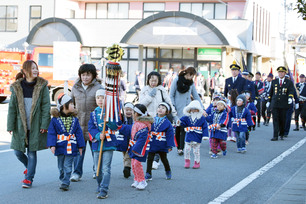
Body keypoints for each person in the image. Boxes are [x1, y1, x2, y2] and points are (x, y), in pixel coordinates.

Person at [7, 60, 51, 188]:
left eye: (36, 68)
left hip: (36, 125)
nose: (36, 70)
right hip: (20, 125)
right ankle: (29, 167)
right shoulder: (17, 87)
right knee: (17, 152)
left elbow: (45, 106)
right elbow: (12, 108)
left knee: (32, 152)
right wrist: (10, 125)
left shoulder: (42, 86)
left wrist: (44, 125)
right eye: (33, 68)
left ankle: (29, 178)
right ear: (25, 71)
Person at [70, 64, 103, 182]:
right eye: (83, 75)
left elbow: (103, 105)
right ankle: (77, 173)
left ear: (93, 75)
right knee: (79, 151)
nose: (85, 77)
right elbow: (71, 105)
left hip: (94, 126)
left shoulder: (99, 88)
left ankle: (96, 170)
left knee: (96, 150)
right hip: (79, 125)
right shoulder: (75, 88)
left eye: (88, 75)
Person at [139, 71, 177, 169]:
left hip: (160, 118)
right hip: (148, 118)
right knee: (150, 139)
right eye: (151, 80)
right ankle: (151, 157)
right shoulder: (144, 90)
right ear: (148, 80)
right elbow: (141, 105)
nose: (153, 82)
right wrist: (149, 96)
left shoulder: (161, 90)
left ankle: (156, 159)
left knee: (158, 139)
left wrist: (174, 114)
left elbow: (168, 102)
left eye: (155, 80)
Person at [47, 94, 85, 191]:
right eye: (71, 104)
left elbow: (79, 133)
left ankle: (65, 182)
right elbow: (51, 132)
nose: (74, 106)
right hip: (60, 146)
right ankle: (63, 178)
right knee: (60, 166)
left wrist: (80, 146)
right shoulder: (55, 120)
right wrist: (52, 145)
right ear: (64, 105)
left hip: (71, 146)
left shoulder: (75, 119)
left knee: (68, 165)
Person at [88, 89, 118, 199]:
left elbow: (116, 126)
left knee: (106, 168)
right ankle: (99, 184)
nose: (100, 100)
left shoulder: (111, 112)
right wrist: (97, 135)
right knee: (97, 168)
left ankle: (104, 189)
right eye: (98, 97)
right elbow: (91, 128)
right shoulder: (93, 113)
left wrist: (108, 121)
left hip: (108, 143)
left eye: (102, 97)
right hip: (97, 144)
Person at [169, 67, 204, 156]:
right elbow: (171, 94)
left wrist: (201, 108)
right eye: (191, 76)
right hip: (177, 107)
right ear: (188, 74)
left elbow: (196, 96)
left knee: (184, 128)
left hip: (187, 109)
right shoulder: (176, 80)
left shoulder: (191, 83)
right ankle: (178, 147)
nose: (192, 78)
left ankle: (181, 148)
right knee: (178, 127)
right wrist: (172, 106)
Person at [145, 102, 175, 181]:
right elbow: (147, 129)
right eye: (159, 107)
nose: (160, 109)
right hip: (152, 141)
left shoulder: (167, 123)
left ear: (167, 112)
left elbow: (170, 134)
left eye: (163, 108)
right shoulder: (152, 119)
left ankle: (168, 171)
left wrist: (169, 145)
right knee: (150, 158)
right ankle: (148, 173)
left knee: (164, 158)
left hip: (162, 142)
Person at [129, 104, 153, 190]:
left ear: (136, 114)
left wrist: (136, 148)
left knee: (137, 163)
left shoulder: (143, 125)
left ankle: (142, 180)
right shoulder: (137, 122)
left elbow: (143, 138)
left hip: (140, 147)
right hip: (135, 145)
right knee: (133, 163)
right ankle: (137, 179)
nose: (131, 113)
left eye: (133, 111)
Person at [267, 66, 294, 141]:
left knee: (282, 119)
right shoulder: (274, 81)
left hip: (284, 104)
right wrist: (269, 101)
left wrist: (290, 97)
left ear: (285, 73)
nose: (280, 73)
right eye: (279, 72)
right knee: (275, 119)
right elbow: (271, 92)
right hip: (275, 103)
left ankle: (281, 133)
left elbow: (291, 91)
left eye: (282, 72)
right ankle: (275, 135)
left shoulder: (289, 82)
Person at [179, 100, 209, 169]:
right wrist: (179, 122)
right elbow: (182, 122)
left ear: (198, 109)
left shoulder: (202, 118)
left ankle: (197, 162)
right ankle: (187, 161)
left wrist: (205, 135)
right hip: (189, 135)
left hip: (197, 136)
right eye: (192, 109)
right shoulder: (187, 117)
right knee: (187, 149)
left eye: (195, 109)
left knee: (196, 151)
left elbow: (205, 127)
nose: (193, 110)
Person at [117, 102, 133, 178]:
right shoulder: (121, 118)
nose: (128, 112)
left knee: (128, 154)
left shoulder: (135, 119)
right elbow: (119, 126)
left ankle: (127, 167)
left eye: (130, 110)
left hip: (132, 139)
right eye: (127, 110)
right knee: (125, 154)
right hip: (123, 140)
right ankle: (127, 167)